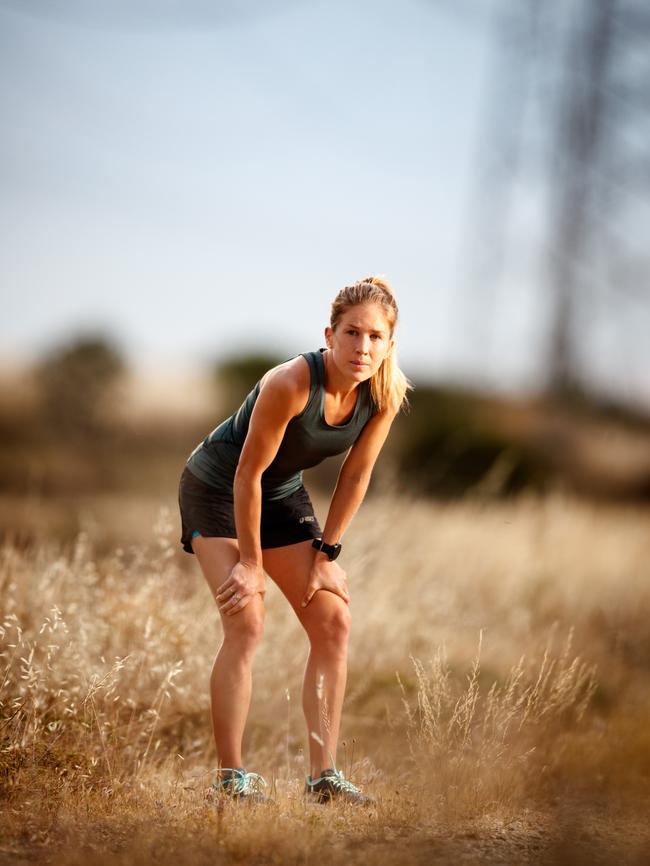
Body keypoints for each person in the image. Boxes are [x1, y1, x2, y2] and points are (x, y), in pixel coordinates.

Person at [177, 276, 412, 804]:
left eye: (375, 337)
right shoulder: (290, 382)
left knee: (333, 621)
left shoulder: (383, 395)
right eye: (352, 333)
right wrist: (251, 564)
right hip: (219, 486)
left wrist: (327, 554)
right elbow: (246, 476)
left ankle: (323, 778)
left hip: (279, 494)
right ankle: (231, 779)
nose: (363, 347)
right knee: (247, 619)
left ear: (389, 345)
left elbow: (355, 478)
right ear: (329, 334)